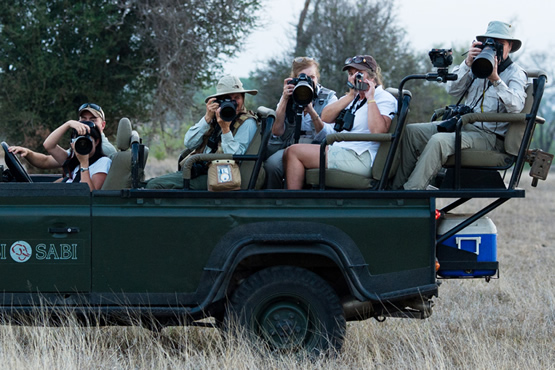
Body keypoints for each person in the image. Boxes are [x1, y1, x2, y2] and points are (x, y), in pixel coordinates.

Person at [392, 21, 527, 190]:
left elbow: (516, 107)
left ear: (510, 46)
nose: (493, 49)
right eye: (490, 43)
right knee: (412, 132)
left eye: (500, 44)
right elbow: (453, 90)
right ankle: (395, 190)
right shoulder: (477, 66)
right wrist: (468, 64)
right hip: (464, 127)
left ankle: (411, 193)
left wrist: (496, 80)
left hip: (490, 137)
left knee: (439, 141)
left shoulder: (515, 73)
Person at [284, 55, 397, 190]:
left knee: (293, 152)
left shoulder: (384, 98)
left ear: (372, 77)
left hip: (361, 156)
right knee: (288, 152)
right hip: (344, 149)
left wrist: (370, 98)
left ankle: (294, 206)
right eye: (350, 74)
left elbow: (378, 131)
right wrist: (351, 95)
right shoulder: (354, 98)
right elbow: (325, 117)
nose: (354, 77)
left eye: (359, 74)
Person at [146, 75, 258, 190]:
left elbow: (236, 156)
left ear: (243, 98)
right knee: (145, 184)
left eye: (237, 97)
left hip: (221, 176)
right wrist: (207, 119)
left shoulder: (247, 123)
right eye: (227, 98)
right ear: (218, 101)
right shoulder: (215, 117)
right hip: (201, 169)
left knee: (154, 186)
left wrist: (225, 130)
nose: (233, 102)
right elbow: (189, 143)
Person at [264, 57, 337, 189]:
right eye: (303, 77)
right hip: (292, 145)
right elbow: (277, 131)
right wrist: (285, 99)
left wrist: (311, 109)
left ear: (318, 78)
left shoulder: (329, 97)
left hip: (318, 147)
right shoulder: (289, 95)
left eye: (312, 77)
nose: (309, 82)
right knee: (271, 165)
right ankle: (274, 201)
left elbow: (329, 134)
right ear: (294, 79)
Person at [9, 103, 116, 168]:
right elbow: (46, 161)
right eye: (83, 119)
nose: (87, 123)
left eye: (93, 120)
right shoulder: (81, 144)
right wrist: (28, 153)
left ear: (103, 125)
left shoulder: (105, 149)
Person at [43, 120, 112, 191]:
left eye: (87, 141)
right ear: (72, 144)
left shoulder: (103, 162)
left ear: (96, 142)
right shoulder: (74, 159)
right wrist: (68, 124)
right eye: (79, 141)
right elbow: (48, 145)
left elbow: (90, 195)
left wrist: (84, 163)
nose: (83, 145)